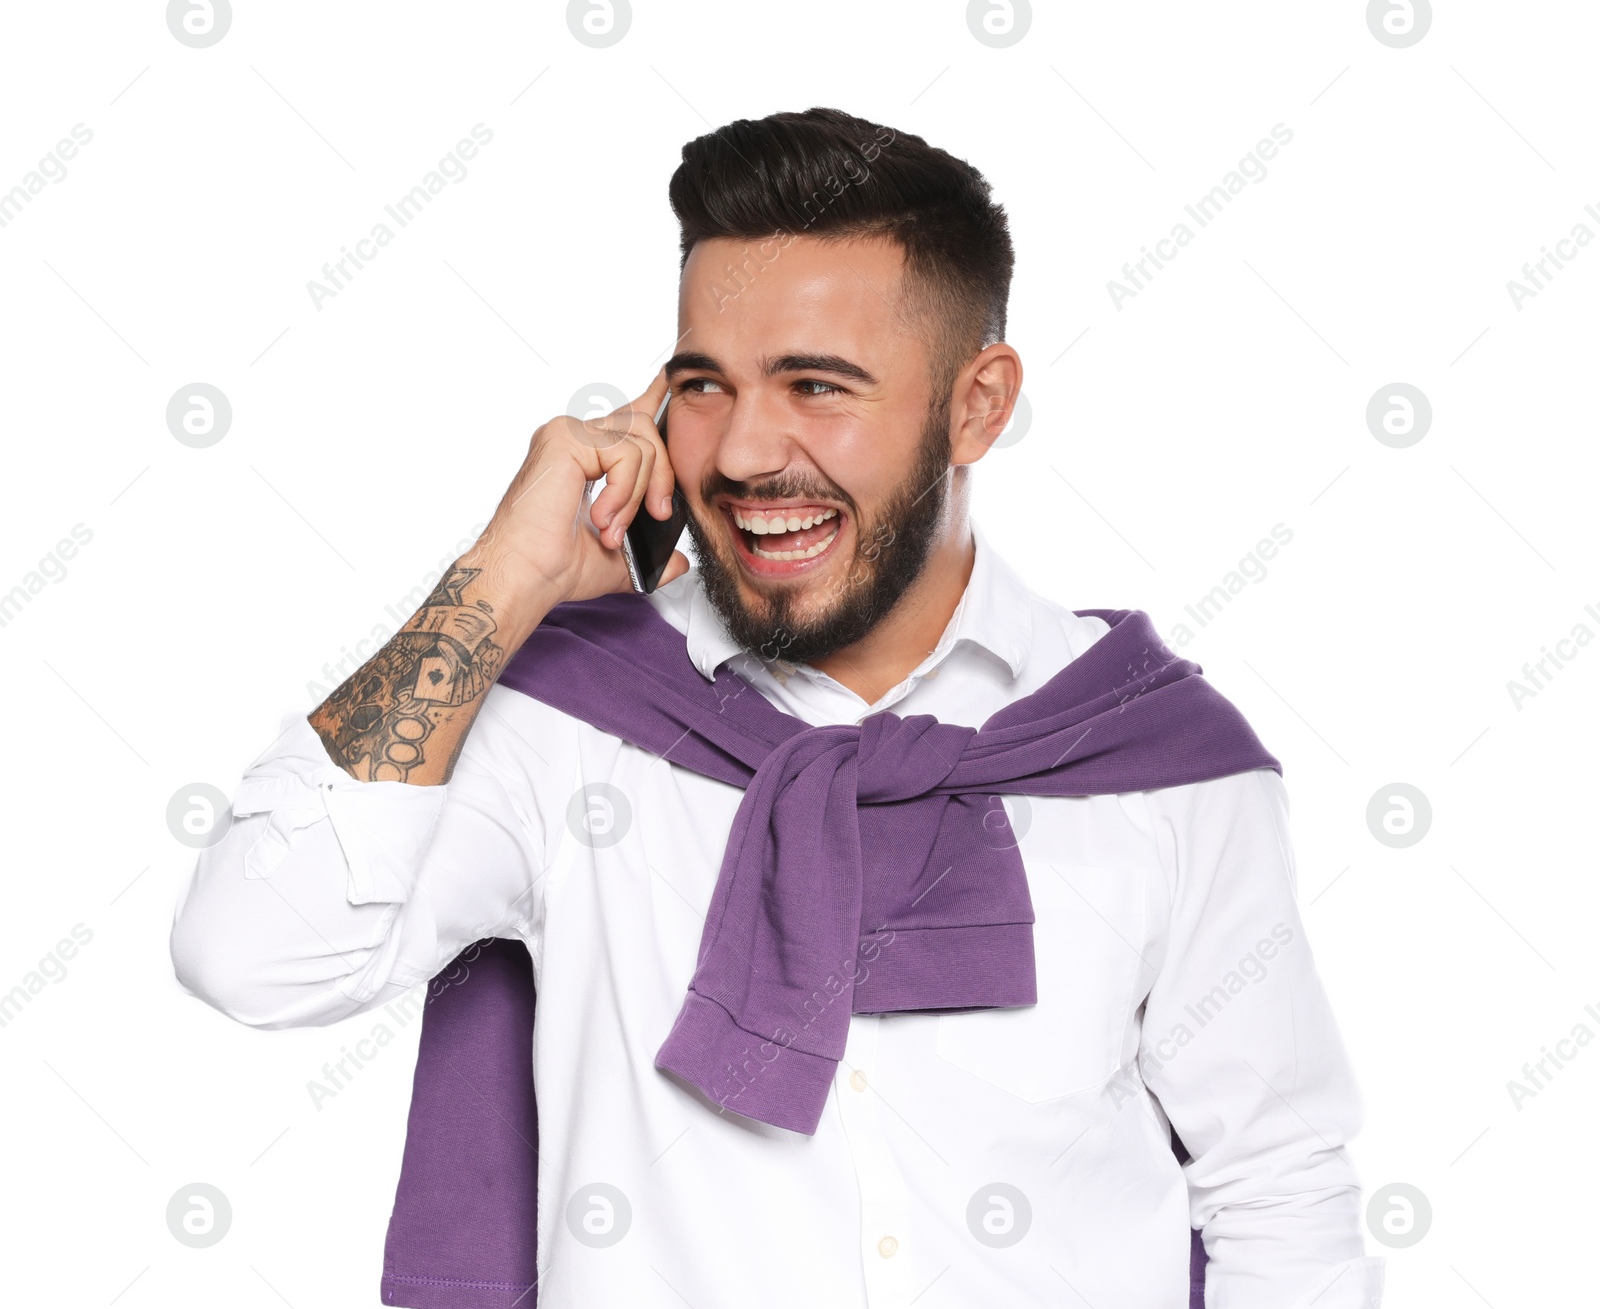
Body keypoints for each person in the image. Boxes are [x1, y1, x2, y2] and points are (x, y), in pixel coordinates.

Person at [169, 107, 1383, 1308]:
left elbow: (1278, 1188)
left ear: (977, 404)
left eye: (815, 384)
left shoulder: (1156, 761)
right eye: (704, 384)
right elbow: (253, 955)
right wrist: (504, 578)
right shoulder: (573, 718)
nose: (746, 452)